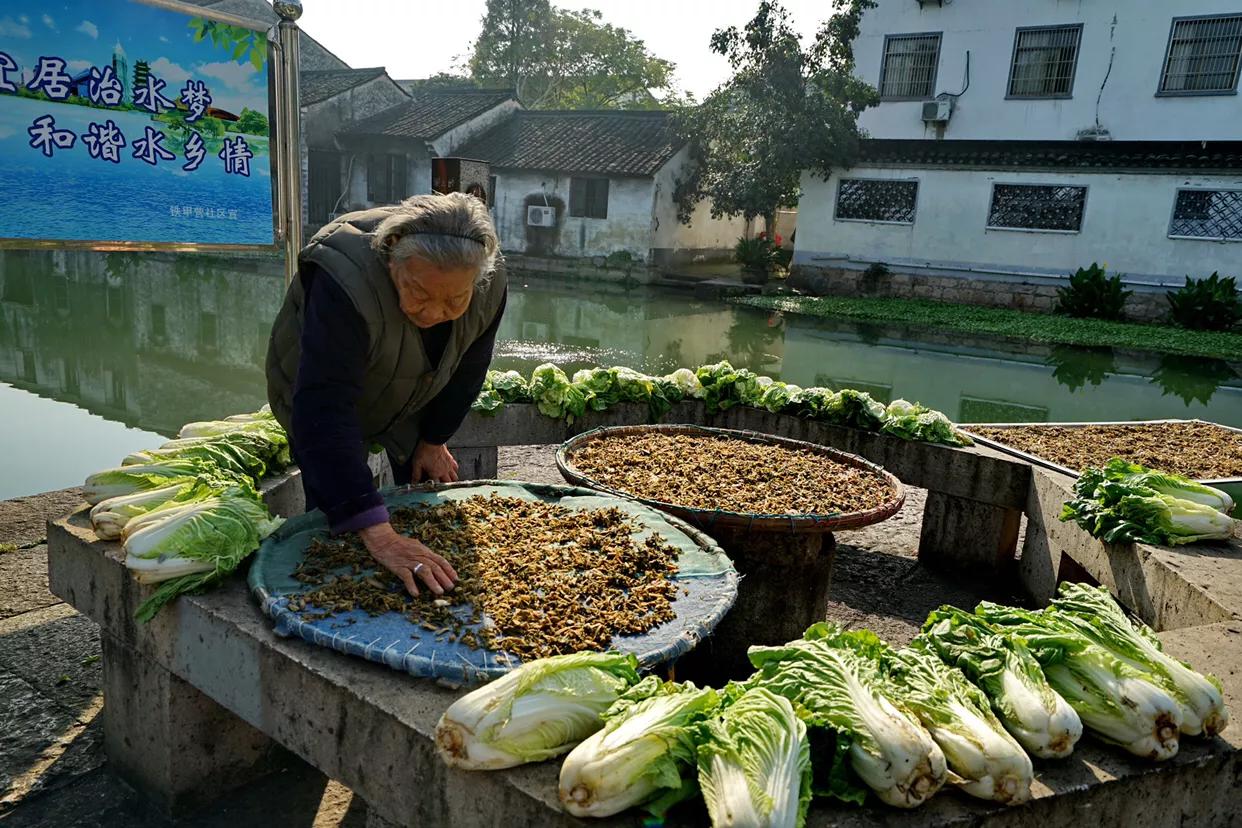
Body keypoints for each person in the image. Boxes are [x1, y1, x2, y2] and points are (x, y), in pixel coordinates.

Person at [266, 193, 507, 598]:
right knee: (337, 512)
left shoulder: (487, 279)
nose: (432, 313)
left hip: (411, 384)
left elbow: (468, 365)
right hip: (320, 392)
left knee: (423, 491)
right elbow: (323, 409)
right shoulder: (343, 277)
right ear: (392, 254)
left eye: (454, 300)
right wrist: (376, 531)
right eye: (418, 292)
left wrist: (433, 439)